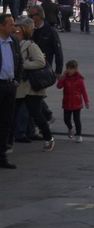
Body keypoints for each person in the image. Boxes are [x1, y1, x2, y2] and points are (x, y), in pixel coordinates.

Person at [14, 17, 54, 152]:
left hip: (31, 87)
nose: (15, 32)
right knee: (11, 114)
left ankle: (48, 138)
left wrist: (22, 65)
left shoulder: (31, 45)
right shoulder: (12, 44)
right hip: (19, 86)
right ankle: (8, 142)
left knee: (36, 114)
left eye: (17, 30)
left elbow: (40, 62)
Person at [0, 14, 23, 169]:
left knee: (6, 122)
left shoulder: (13, 42)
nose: (14, 28)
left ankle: (2, 156)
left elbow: (19, 61)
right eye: (11, 24)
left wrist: (17, 80)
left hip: (10, 86)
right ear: (1, 26)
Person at [56, 60, 89, 143]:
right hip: (67, 102)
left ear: (75, 69)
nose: (69, 70)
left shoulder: (80, 79)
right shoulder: (65, 78)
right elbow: (59, 86)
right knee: (66, 119)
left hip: (77, 103)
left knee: (77, 119)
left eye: (71, 69)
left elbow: (83, 91)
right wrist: (62, 77)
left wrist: (86, 102)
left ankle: (78, 135)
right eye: (68, 68)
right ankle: (70, 127)